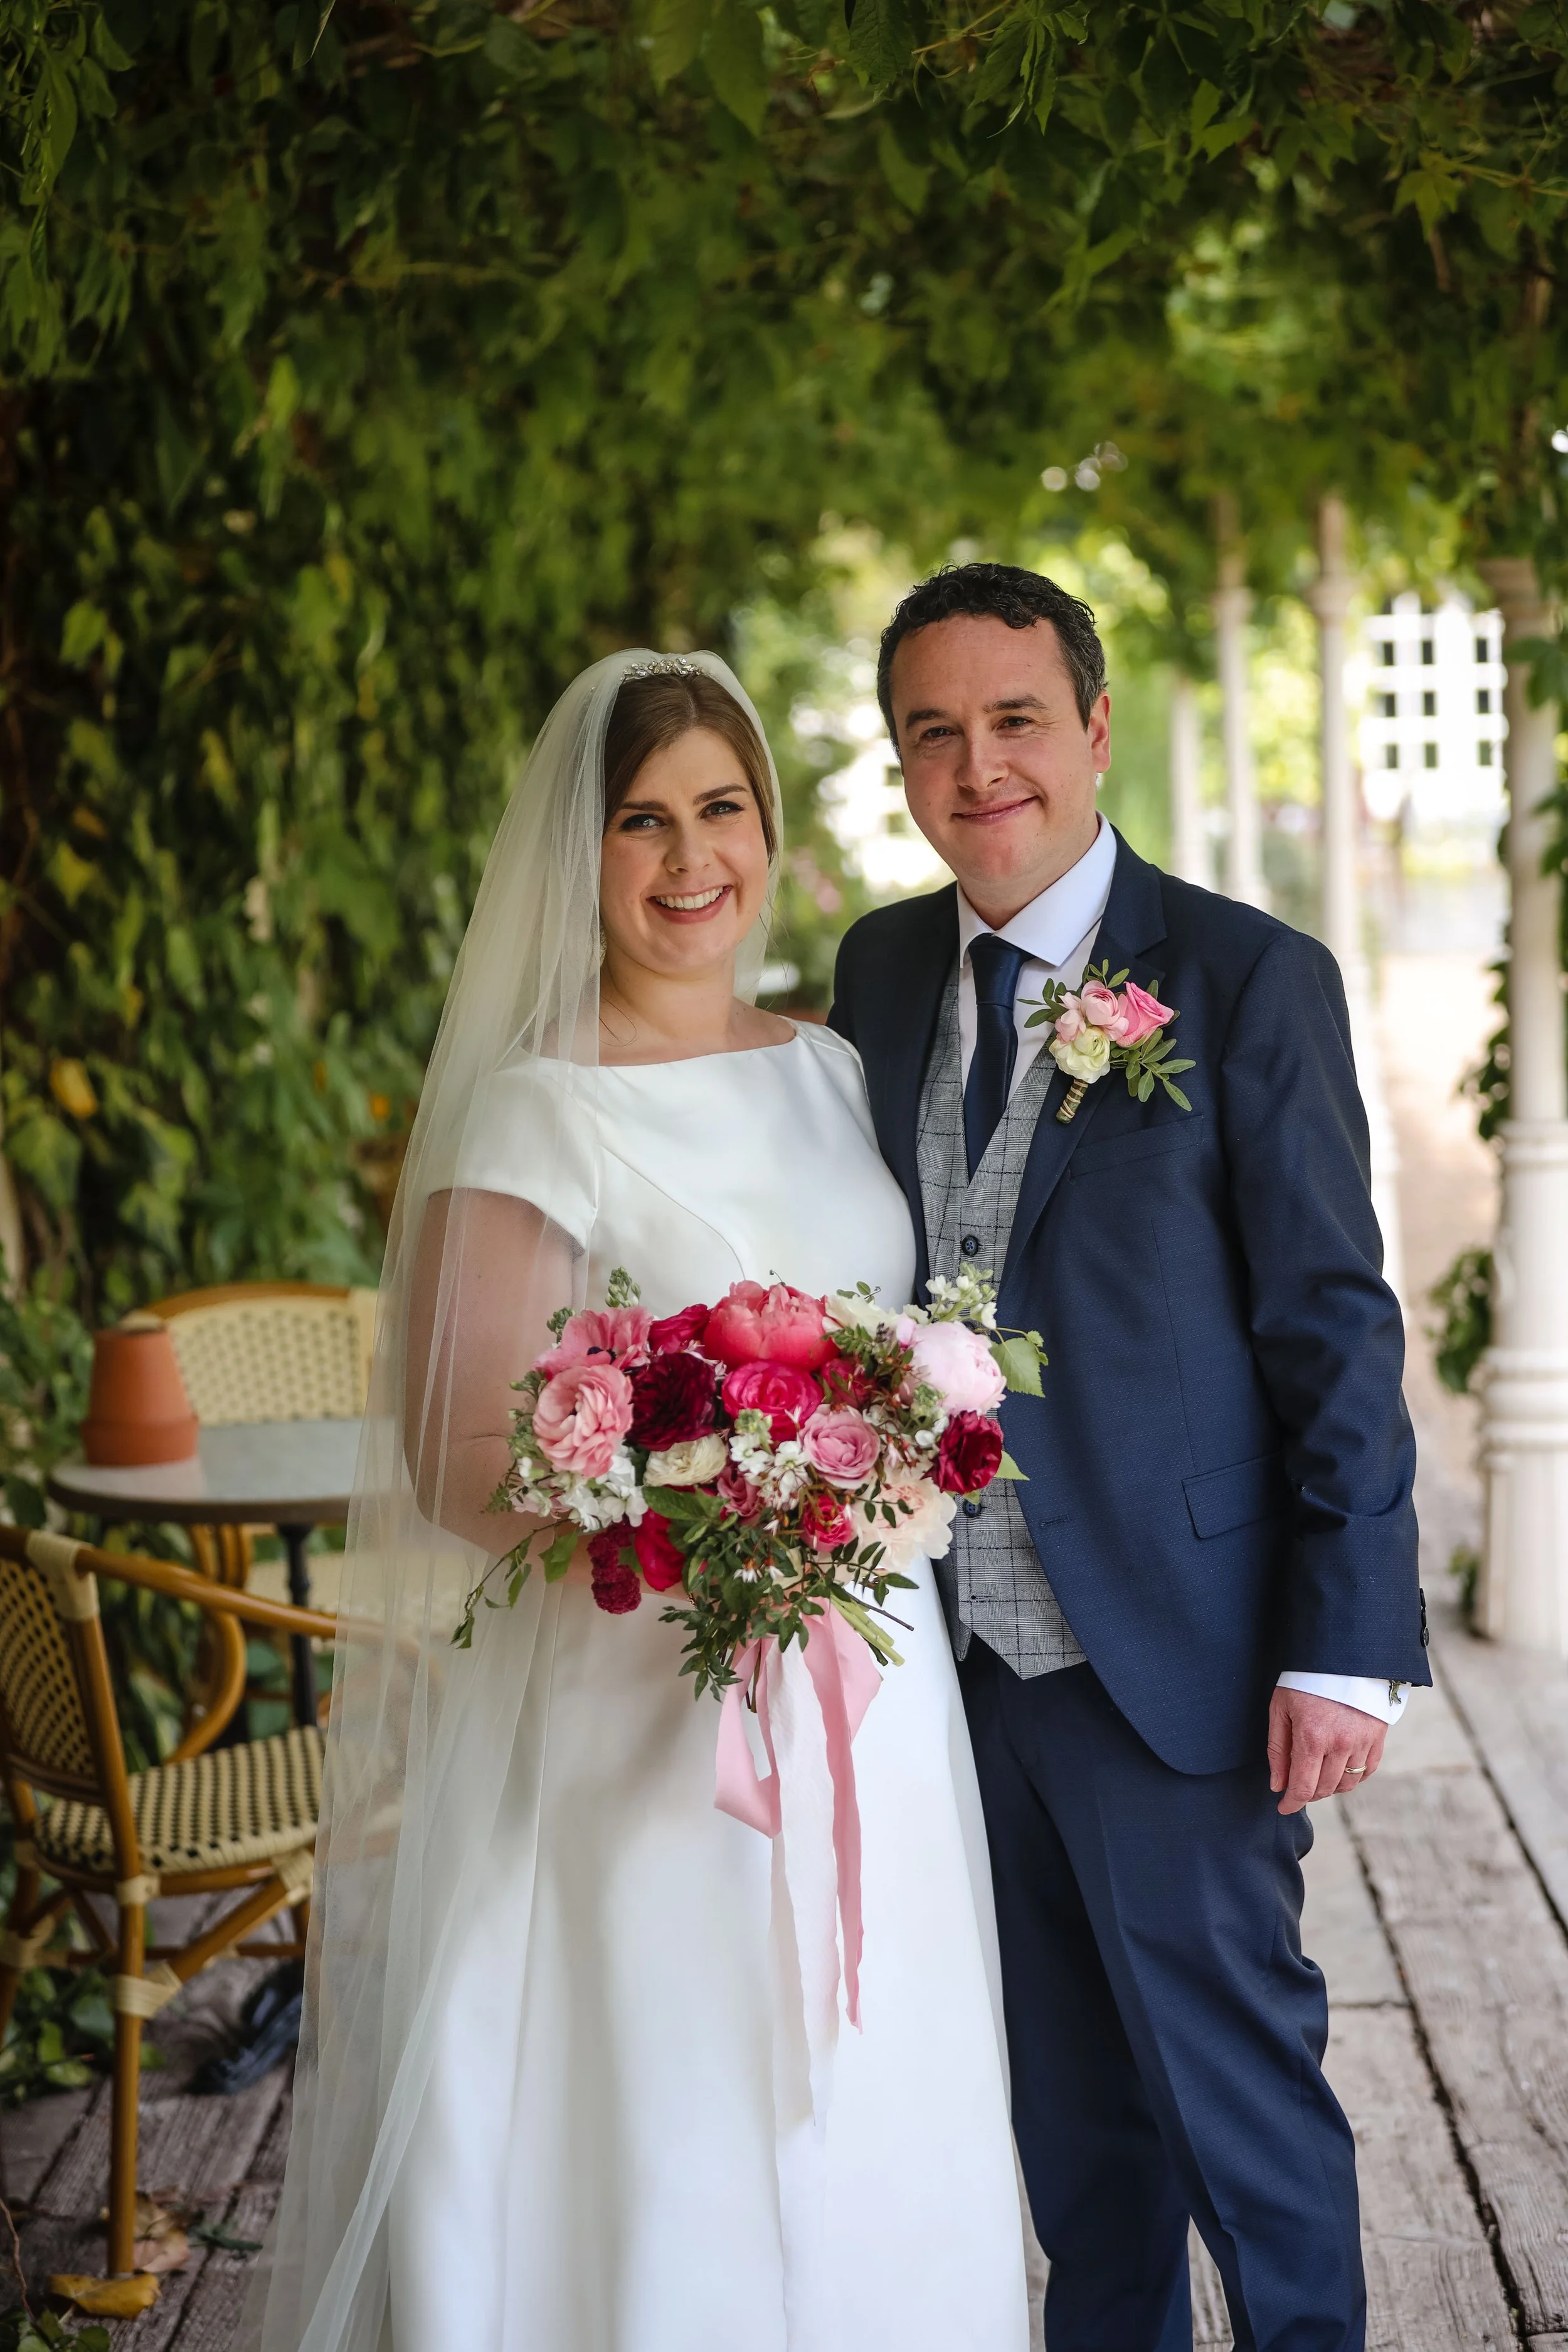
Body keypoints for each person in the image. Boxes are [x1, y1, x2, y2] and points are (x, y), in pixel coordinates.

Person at [243, 649, 1030, 2352]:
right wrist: (714, 1507)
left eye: (722, 809)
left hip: (868, 1705)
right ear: (579, 856)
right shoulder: (538, 1108)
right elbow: (456, 1452)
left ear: (767, 824)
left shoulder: (828, 1067)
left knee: (864, 2089)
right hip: (643, 1715)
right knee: (670, 2108)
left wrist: (869, 1460)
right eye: (642, 820)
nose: (691, 861)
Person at [829, 563, 1430, 2352]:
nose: (976, 765)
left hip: (1173, 1652)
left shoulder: (1248, 978)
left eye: (1013, 718)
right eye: (930, 731)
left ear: (1090, 728)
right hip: (946, 1668)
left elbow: (1332, 1323)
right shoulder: (872, 971)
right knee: (1071, 2147)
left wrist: (1345, 1642)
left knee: (1239, 2119)